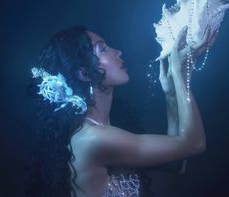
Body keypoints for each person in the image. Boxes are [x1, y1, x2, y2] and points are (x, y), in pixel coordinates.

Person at [27, 25, 215, 197]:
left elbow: (176, 162)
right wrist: (181, 74)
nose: (118, 52)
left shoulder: (106, 127)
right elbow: (194, 144)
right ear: (84, 74)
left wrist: (172, 95)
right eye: (103, 49)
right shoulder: (92, 139)